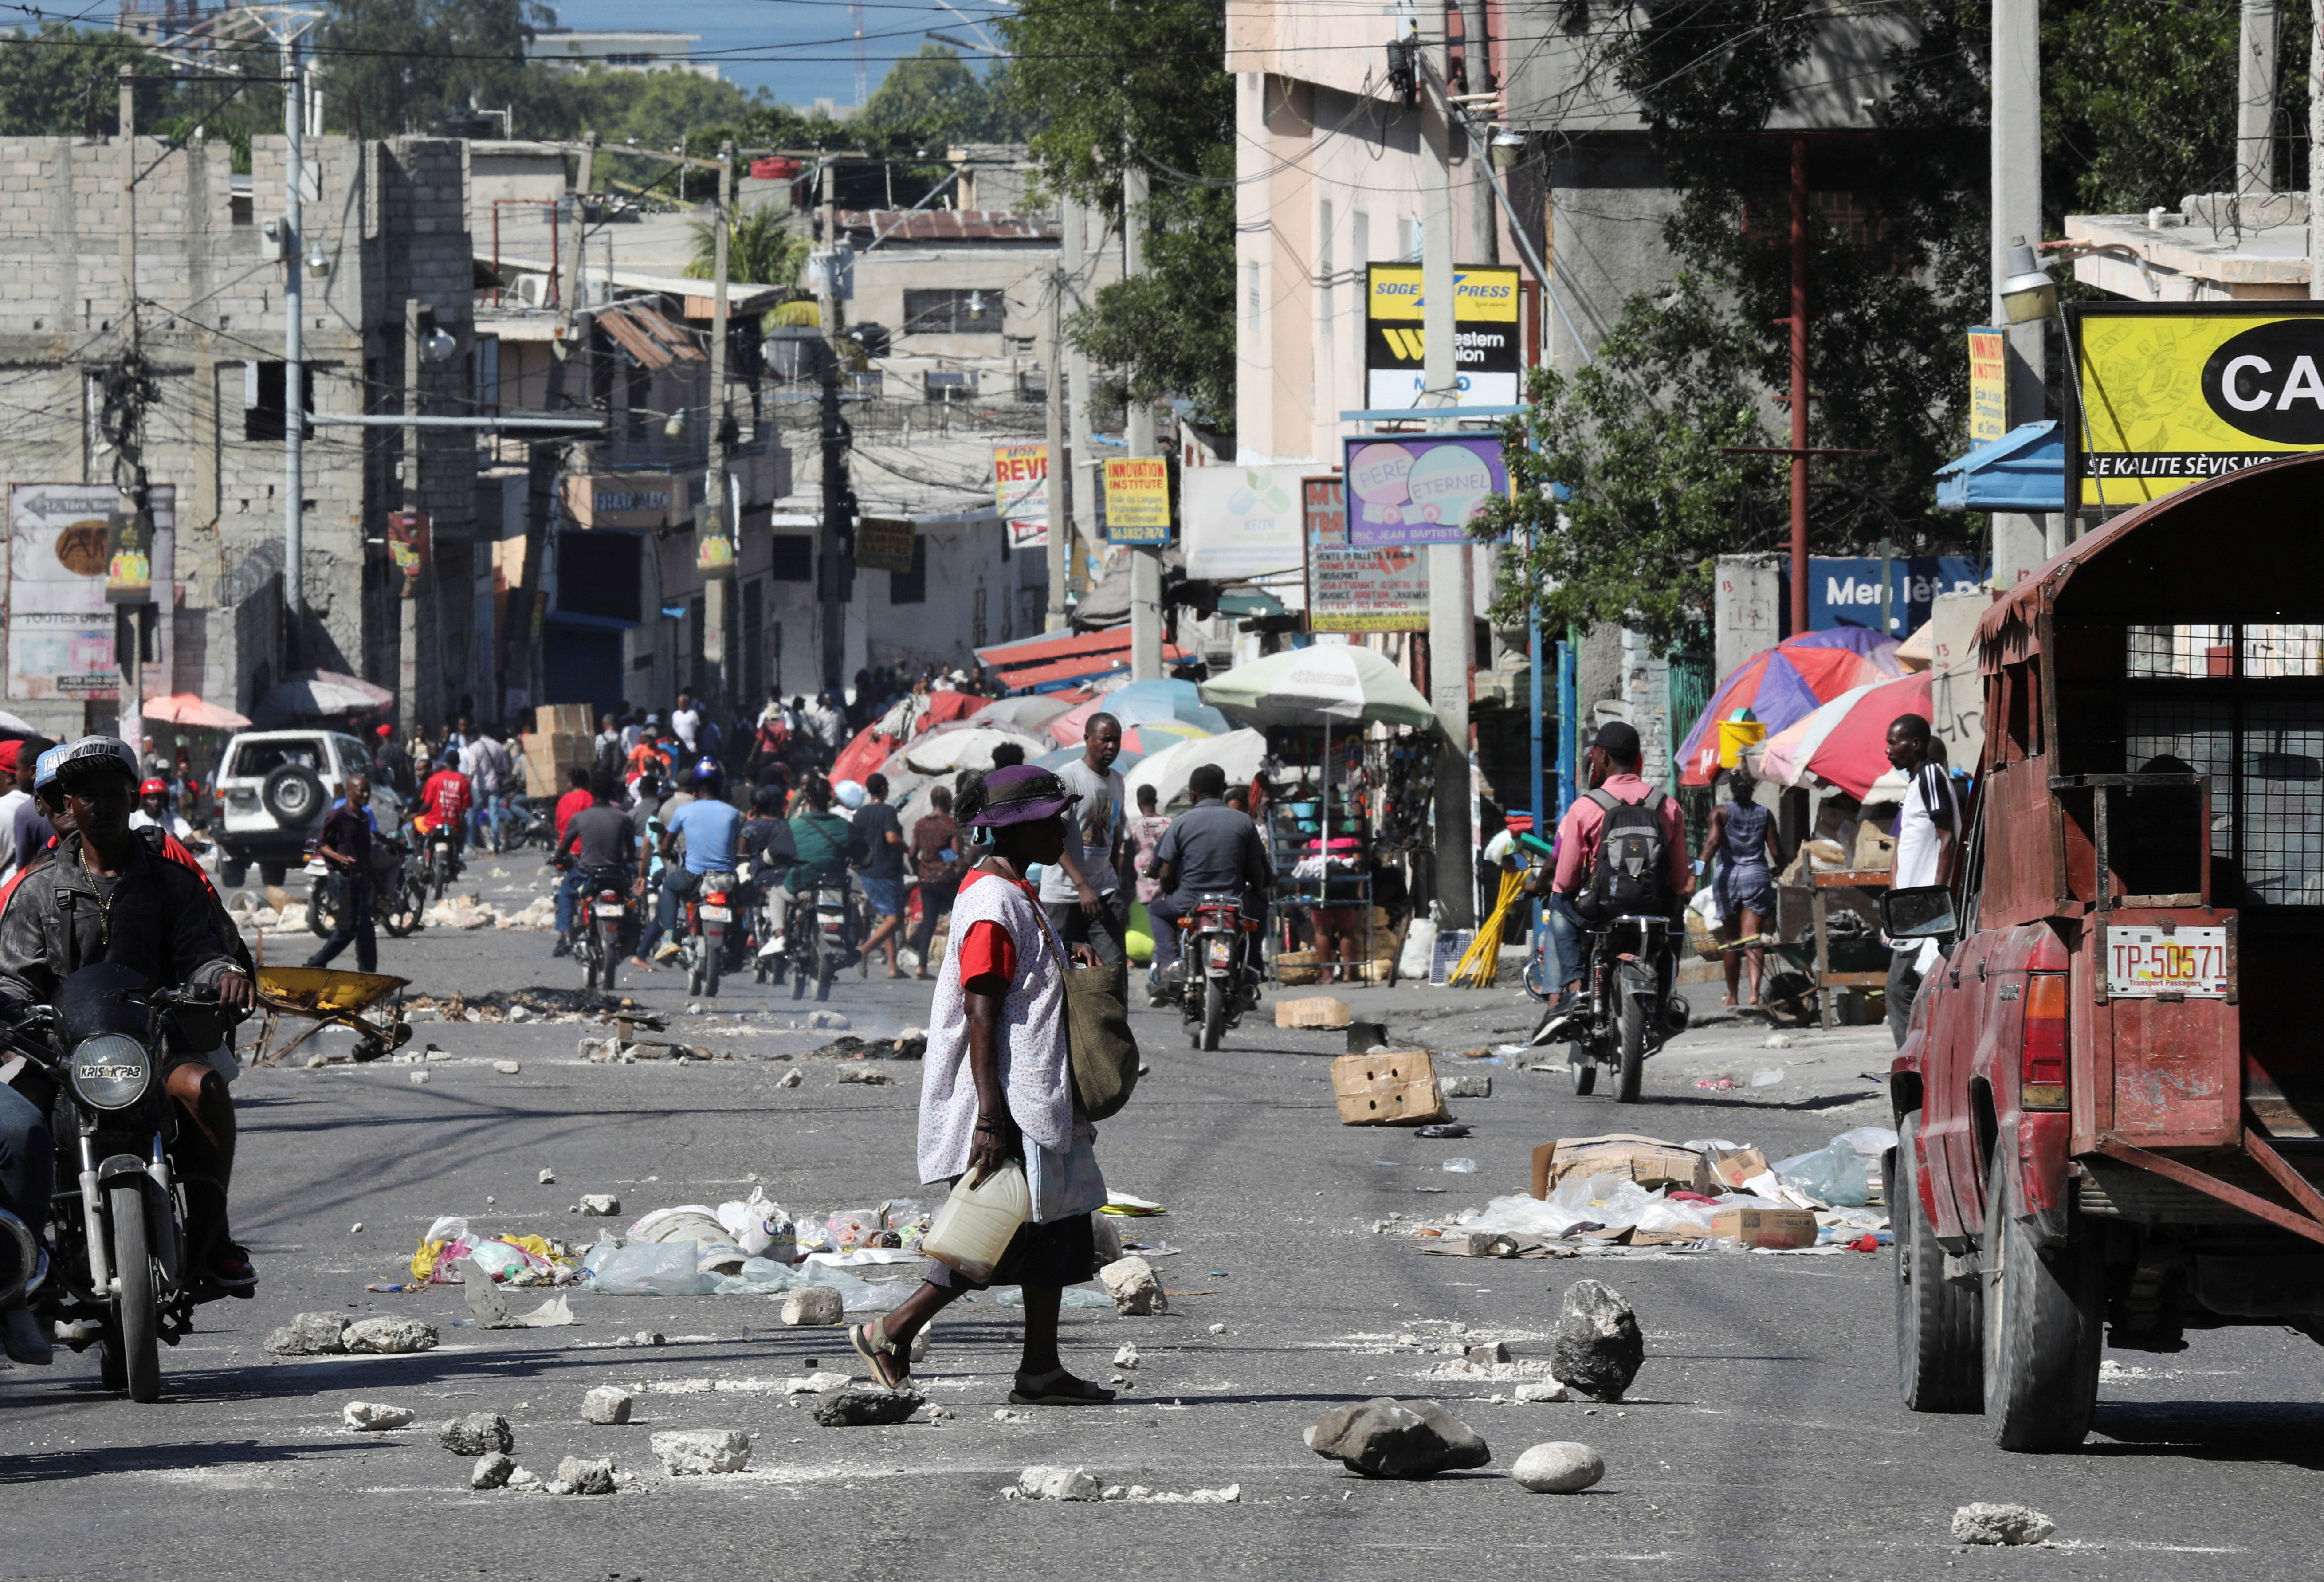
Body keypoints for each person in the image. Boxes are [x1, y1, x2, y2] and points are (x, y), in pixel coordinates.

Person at [845, 765, 1114, 1405]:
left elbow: (1019, 978)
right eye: (1051, 823)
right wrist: (990, 1118)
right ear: (1015, 830)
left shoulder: (1013, 889)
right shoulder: (993, 903)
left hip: (1033, 1091)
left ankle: (1041, 1369)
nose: (1063, 833)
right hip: (1007, 1096)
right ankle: (890, 1330)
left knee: (1057, 1227)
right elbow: (981, 1010)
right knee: (997, 1232)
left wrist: (1064, 957)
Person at [0, 737, 256, 1306]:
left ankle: (213, 1238)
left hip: (155, 1045)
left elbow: (203, 954)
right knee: (20, 1123)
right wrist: (10, 1009)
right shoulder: (36, 891)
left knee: (206, 1089)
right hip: (62, 1054)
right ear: (69, 805)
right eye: (88, 796)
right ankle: (25, 1257)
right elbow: (14, 977)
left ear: (133, 799)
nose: (104, 807)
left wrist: (222, 976)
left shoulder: (173, 882)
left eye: (115, 795)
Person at [1530, 721, 1693, 1039]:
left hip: (1602, 907)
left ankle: (1576, 988)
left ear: (1602, 758)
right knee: (1674, 918)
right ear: (1638, 758)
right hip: (1655, 907)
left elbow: (1565, 879)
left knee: (1560, 904)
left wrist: (1564, 887)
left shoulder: (1585, 807)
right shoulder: (1668, 805)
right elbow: (1679, 879)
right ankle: (1667, 995)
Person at [1147, 762, 1272, 1002]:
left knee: (1156, 910)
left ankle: (1170, 964)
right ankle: (1253, 965)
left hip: (1189, 902)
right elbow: (1257, 871)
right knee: (1261, 911)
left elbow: (1166, 873)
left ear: (1193, 794)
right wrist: (1258, 890)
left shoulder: (1181, 823)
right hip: (1236, 903)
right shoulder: (1244, 822)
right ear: (1223, 790)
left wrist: (1167, 890)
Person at [1885, 712, 1959, 1048]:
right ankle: (1920, 1058)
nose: (1888, 750)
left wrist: (1935, 899)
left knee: (1900, 988)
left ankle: (1913, 1062)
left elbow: (1948, 838)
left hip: (1925, 908)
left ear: (1915, 744)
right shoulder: (1918, 781)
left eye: (1894, 742)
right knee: (1912, 989)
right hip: (1913, 907)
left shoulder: (1931, 775)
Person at [1038, 714, 1129, 965]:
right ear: (1088, 739)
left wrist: (1116, 882)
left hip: (1104, 890)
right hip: (1064, 894)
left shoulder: (1117, 781)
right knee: (1060, 968)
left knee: (1111, 969)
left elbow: (1114, 833)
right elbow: (1053, 837)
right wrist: (1082, 886)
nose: (1112, 746)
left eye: (1117, 740)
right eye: (1105, 740)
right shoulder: (1069, 778)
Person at [1697, 762, 1782, 1010]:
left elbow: (1712, 844)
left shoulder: (1720, 813)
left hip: (1728, 880)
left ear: (1731, 788)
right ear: (1753, 788)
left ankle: (1733, 996)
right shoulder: (1765, 814)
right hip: (1756, 877)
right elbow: (1776, 851)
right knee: (1753, 939)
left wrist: (1694, 874)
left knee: (1732, 941)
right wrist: (1784, 870)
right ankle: (1755, 993)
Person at [648, 764, 744, 963]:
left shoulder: (684, 811)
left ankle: (668, 937)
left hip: (693, 876)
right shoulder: (734, 813)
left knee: (669, 886)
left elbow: (666, 846)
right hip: (726, 878)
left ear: (696, 787)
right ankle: (739, 941)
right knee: (742, 900)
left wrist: (663, 851)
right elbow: (737, 844)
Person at [554, 769, 644, 950]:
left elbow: (564, 846)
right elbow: (631, 850)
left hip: (587, 872)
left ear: (592, 792)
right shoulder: (623, 817)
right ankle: (634, 933)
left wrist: (557, 857)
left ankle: (565, 933)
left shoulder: (580, 818)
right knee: (632, 898)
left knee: (566, 892)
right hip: (616, 873)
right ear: (612, 791)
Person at [306, 773, 378, 973]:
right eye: (362, 791)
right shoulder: (337, 815)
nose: (366, 795)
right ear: (350, 792)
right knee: (347, 929)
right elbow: (321, 845)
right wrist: (340, 858)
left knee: (366, 929)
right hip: (342, 878)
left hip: (360, 878)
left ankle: (368, 974)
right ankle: (315, 964)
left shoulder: (364, 818)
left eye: (368, 791)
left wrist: (377, 882)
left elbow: (366, 854)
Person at [909, 784, 962, 980]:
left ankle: (921, 966)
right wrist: (944, 856)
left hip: (926, 879)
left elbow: (912, 853)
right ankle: (958, 965)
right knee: (958, 920)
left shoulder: (921, 824)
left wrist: (918, 869)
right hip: (947, 880)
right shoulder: (951, 825)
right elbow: (955, 854)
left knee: (929, 921)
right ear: (948, 803)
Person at [461, 726, 513, 853]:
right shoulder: (498, 746)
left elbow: (472, 769)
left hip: (479, 786)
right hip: (494, 785)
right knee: (494, 814)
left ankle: (471, 843)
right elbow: (504, 767)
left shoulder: (474, 747)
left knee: (473, 814)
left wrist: (467, 785)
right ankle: (496, 844)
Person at [8, 737, 55, 877]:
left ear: (33, 772)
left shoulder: (26, 812)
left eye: (17, 769)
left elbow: (23, 870)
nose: (16, 775)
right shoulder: (77, 801)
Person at [130, 776, 198, 844]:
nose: (156, 802)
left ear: (165, 801)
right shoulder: (133, 818)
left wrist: (193, 844)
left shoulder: (172, 818)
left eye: (160, 799)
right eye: (152, 799)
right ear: (143, 800)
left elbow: (186, 834)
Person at [553, 765, 593, 842]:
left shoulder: (562, 800)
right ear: (587, 782)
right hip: (583, 844)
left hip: (564, 844)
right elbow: (593, 822)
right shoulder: (588, 797)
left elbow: (559, 826)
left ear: (571, 783)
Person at [671, 690, 701, 755]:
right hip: (679, 746)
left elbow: (698, 729)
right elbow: (674, 729)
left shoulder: (693, 714)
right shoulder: (675, 714)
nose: (681, 705)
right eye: (680, 703)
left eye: (683, 703)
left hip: (691, 747)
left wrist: (697, 744)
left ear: (687, 703)